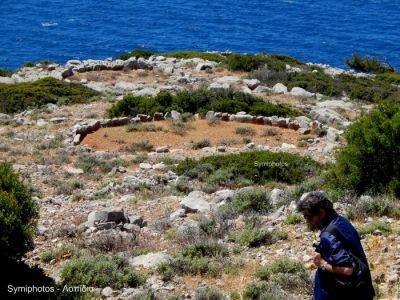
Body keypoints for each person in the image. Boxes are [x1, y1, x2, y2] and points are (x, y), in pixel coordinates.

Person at [296, 191, 375, 300]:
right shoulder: (341, 221)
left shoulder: (328, 235)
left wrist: (322, 263)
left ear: (321, 212)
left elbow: (348, 270)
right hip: (362, 289)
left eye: (308, 217)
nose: (308, 222)